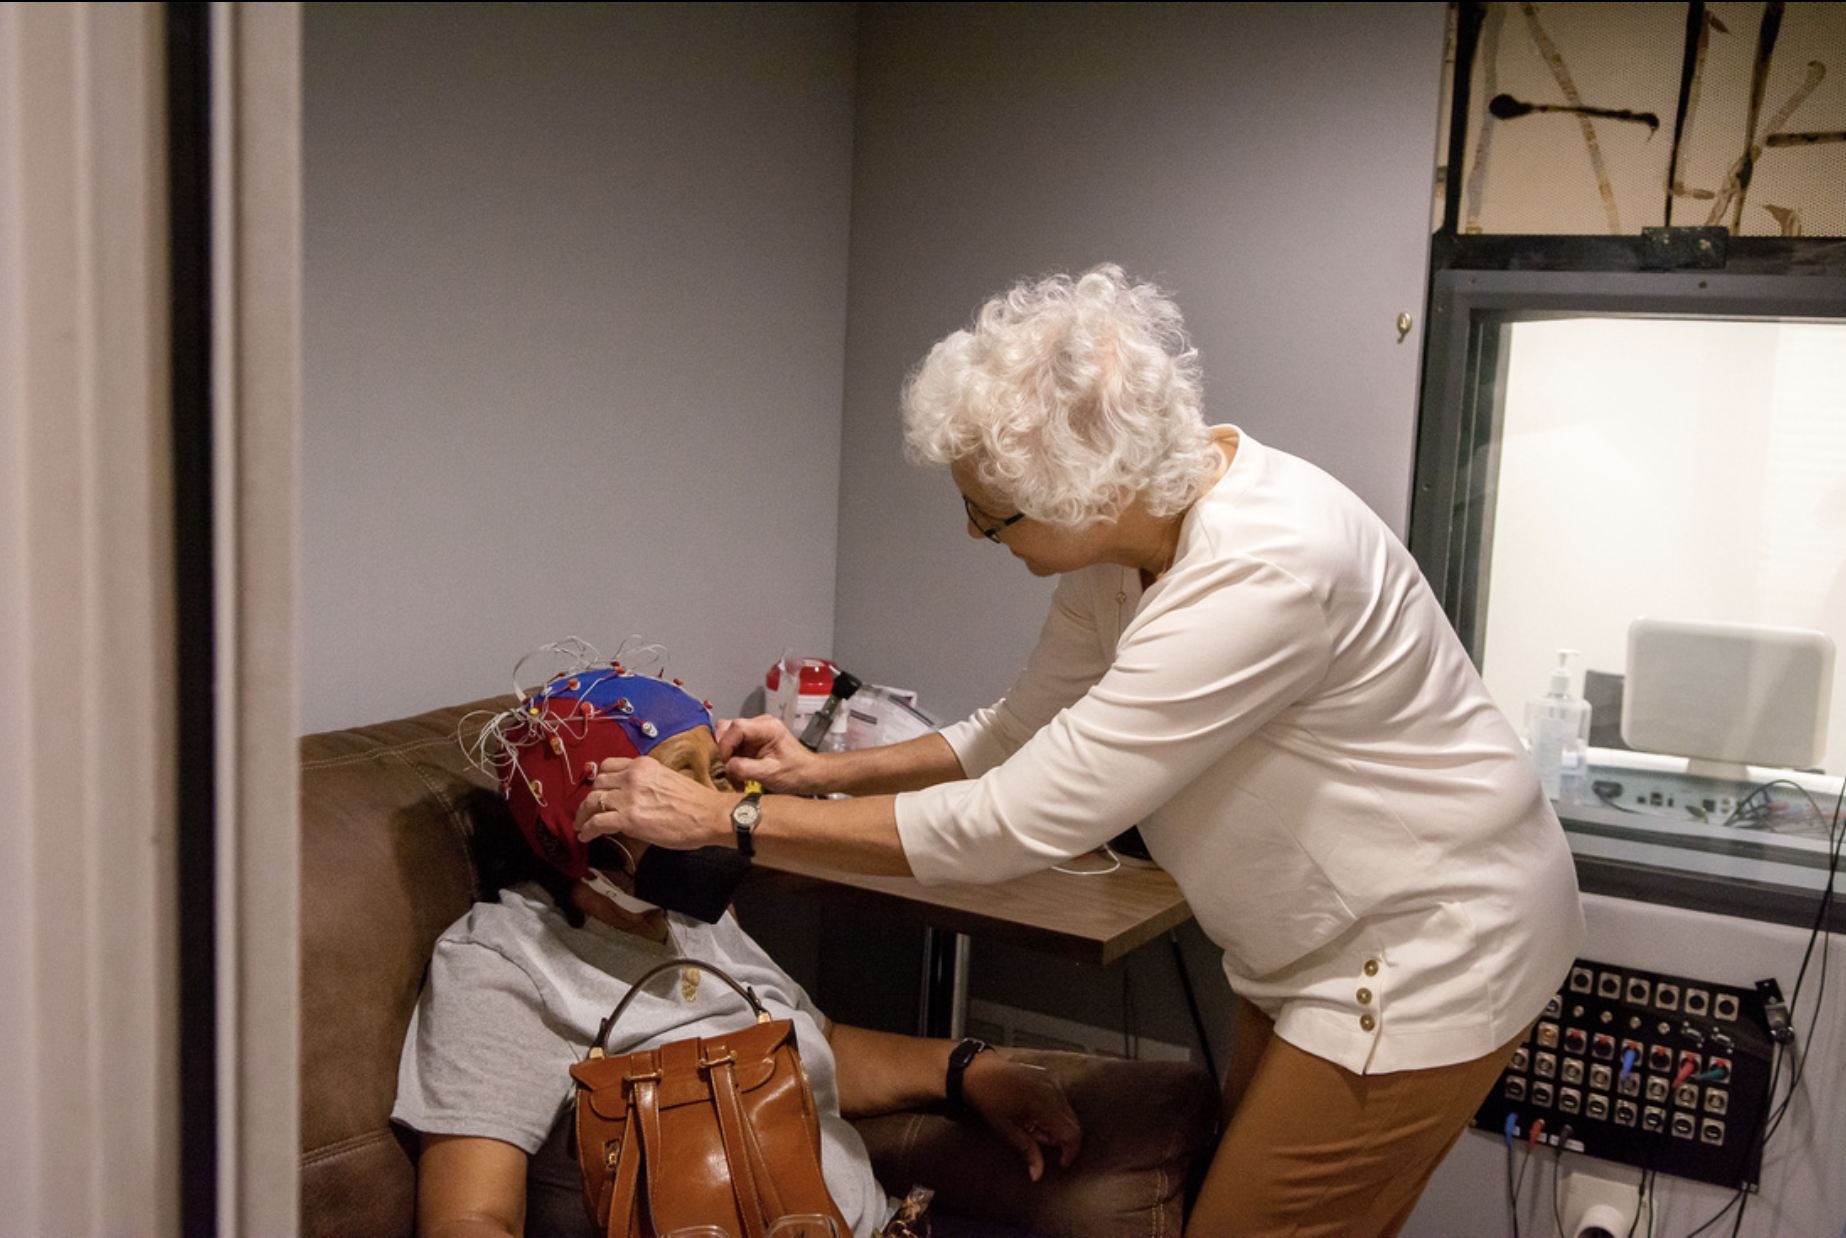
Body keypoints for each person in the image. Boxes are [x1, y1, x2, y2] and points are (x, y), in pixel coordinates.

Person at [576, 265, 1586, 1236]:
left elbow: (1018, 822)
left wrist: (731, 819)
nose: (975, 532)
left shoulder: (1263, 570)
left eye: (988, 511)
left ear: (1090, 492)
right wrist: (817, 771)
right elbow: (1019, 727)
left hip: (1429, 947)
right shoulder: (1134, 535)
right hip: (1311, 945)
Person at [393, 662, 1081, 1238]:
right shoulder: (503, 965)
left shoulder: (694, 918)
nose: (714, 803)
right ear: (580, 819)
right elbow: (472, 1219)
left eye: (717, 776)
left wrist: (970, 1068)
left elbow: (818, 1042)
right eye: (676, 777)